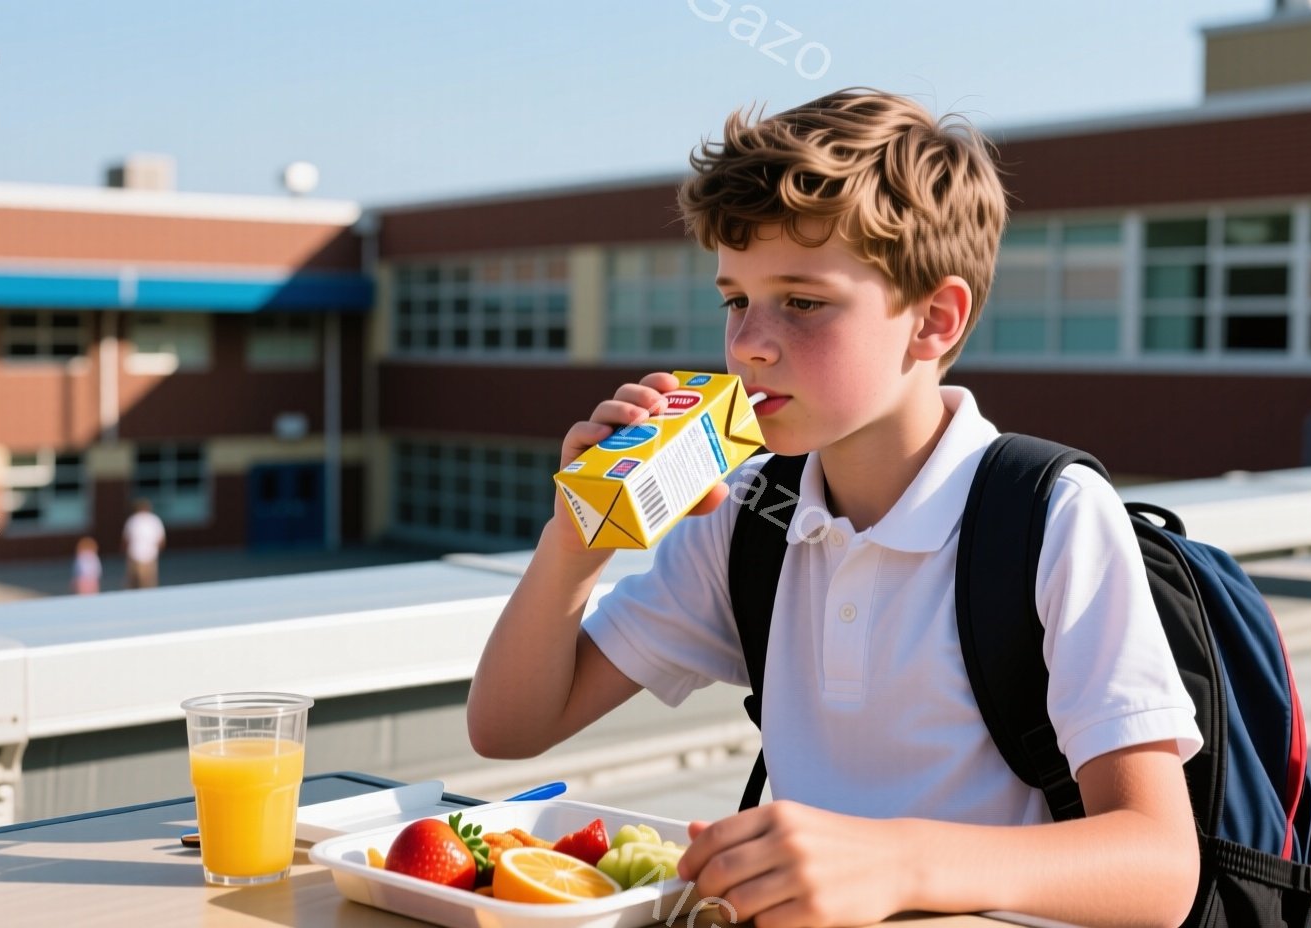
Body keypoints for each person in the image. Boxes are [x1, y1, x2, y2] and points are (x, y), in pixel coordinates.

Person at [468, 89, 1202, 928]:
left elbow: (1159, 866)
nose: (748, 342)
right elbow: (509, 728)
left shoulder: (1050, 516)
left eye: (803, 302)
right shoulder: (745, 512)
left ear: (934, 319)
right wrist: (579, 539)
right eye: (734, 299)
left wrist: (897, 861)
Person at [121, 498, 165, 590]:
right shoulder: (135, 520)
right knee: (143, 582)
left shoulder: (150, 520)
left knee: (141, 583)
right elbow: (161, 539)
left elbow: (126, 539)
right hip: (141, 555)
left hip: (143, 555)